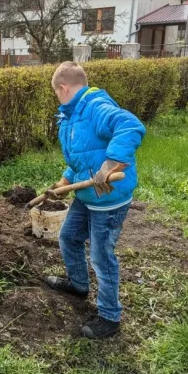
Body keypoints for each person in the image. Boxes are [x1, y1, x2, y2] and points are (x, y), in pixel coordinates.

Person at [46, 62, 145, 339]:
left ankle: (110, 316)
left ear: (63, 88)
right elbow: (82, 156)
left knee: (101, 257)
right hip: (88, 195)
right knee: (69, 237)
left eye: (56, 93)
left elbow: (129, 125)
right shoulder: (72, 115)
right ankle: (78, 284)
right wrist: (65, 182)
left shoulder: (94, 107)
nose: (58, 97)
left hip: (109, 201)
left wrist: (112, 162)